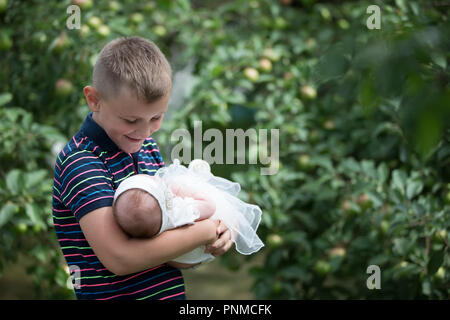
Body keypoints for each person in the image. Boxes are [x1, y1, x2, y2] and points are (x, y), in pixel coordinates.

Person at [52, 36, 232, 300]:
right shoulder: (82, 162)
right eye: (131, 119)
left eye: (156, 118)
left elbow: (163, 242)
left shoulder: (146, 147)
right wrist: (202, 231)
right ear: (94, 100)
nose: (144, 131)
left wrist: (211, 239)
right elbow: (120, 258)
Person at [112, 159, 264, 266]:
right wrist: (182, 191)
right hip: (192, 254)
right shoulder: (178, 210)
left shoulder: (146, 219)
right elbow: (209, 206)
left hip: (176, 259)